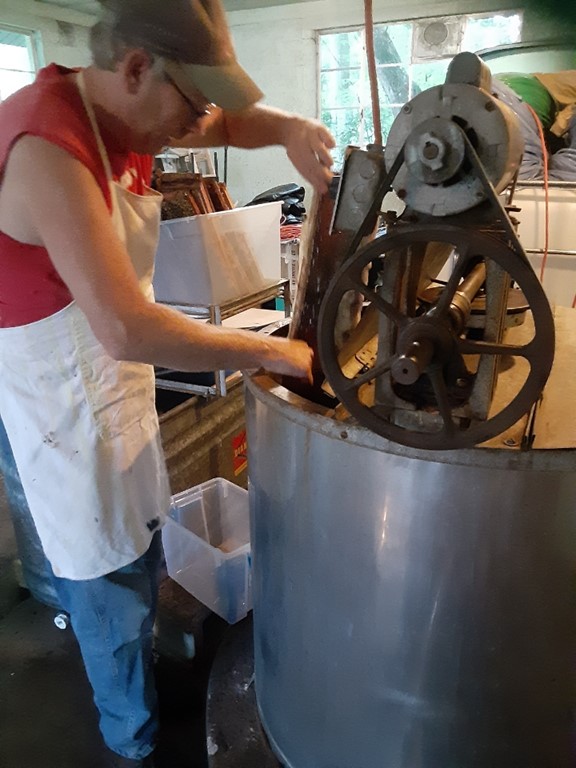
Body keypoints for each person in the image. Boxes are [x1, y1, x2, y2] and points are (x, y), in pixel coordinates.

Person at [0, 1, 335, 766]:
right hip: (59, 396)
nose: (198, 126)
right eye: (192, 103)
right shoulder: (50, 146)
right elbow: (124, 325)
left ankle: (145, 686)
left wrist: (285, 127)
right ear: (137, 68)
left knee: (142, 542)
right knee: (102, 581)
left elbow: (224, 125)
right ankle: (133, 738)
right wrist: (266, 352)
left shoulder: (128, 116)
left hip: (107, 381)